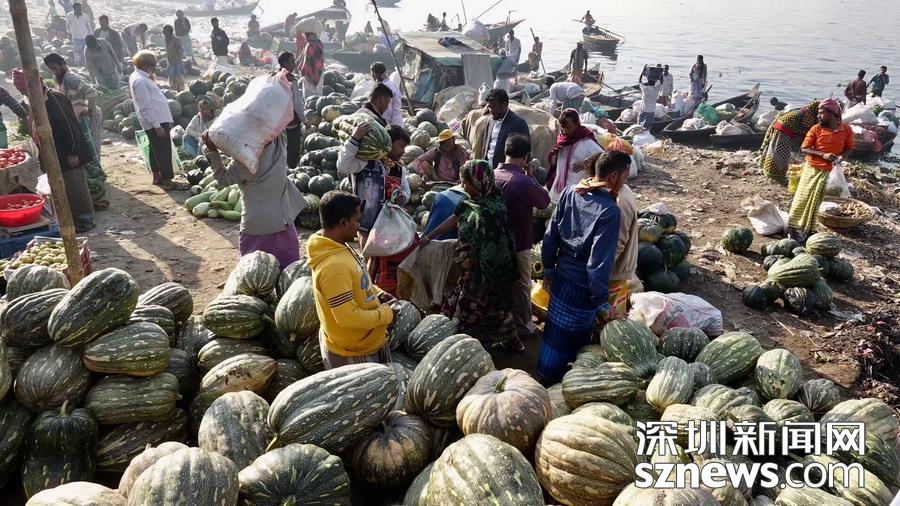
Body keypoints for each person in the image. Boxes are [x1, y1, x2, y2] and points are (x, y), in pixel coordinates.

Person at [537, 151, 631, 385]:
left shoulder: (571, 192)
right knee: (574, 339)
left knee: (554, 330)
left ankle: (543, 373)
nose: (625, 182)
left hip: (560, 279)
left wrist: (548, 268)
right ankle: (562, 385)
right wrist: (602, 302)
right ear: (613, 176)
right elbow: (598, 264)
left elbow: (550, 236)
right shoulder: (610, 211)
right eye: (625, 177)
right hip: (582, 289)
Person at [422, 160, 520, 347]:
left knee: (481, 305)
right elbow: (456, 216)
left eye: (465, 182)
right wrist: (429, 236)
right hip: (471, 268)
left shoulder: (492, 208)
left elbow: (493, 243)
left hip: (488, 270)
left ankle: (471, 345)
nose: (463, 186)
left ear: (478, 182)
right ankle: (499, 339)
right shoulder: (471, 201)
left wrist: (473, 259)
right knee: (481, 305)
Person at [307, 191, 398, 369]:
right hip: (354, 351)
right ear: (343, 222)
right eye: (357, 220)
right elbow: (348, 318)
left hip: (364, 341)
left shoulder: (338, 247)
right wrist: (387, 314)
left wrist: (378, 293)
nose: (359, 225)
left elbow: (358, 280)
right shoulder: (334, 267)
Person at [201, 129, 304, 269]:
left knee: (252, 272)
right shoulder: (279, 141)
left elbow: (223, 179)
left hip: (256, 225)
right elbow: (281, 121)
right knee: (288, 271)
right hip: (282, 220)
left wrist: (212, 151)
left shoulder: (245, 159)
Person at [13, 70, 94, 231]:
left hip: (68, 150)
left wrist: (72, 152)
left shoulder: (55, 100)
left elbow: (69, 127)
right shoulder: (36, 101)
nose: (22, 93)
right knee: (62, 186)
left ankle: (84, 220)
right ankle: (71, 218)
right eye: (20, 90)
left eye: (24, 89)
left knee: (74, 184)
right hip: (54, 152)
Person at [493, 134, 551, 349]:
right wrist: (532, 177)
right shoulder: (523, 181)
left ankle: (499, 324)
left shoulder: (491, 175)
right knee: (522, 286)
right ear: (526, 156)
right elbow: (544, 202)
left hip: (494, 243)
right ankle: (524, 326)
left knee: (497, 285)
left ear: (505, 151)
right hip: (519, 243)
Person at [337, 104, 411, 247]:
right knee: (368, 254)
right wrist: (354, 139)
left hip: (389, 225)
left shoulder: (399, 169)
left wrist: (403, 197)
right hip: (366, 226)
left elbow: (406, 190)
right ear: (388, 142)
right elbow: (342, 166)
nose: (403, 151)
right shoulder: (365, 162)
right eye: (401, 146)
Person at [787, 99, 854, 241]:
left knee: (816, 202)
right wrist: (823, 155)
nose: (818, 116)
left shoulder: (846, 130)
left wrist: (841, 157)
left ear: (832, 114)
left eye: (822, 113)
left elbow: (848, 148)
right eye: (818, 113)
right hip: (812, 169)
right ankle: (792, 227)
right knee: (802, 199)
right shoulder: (816, 129)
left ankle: (809, 229)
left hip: (830, 171)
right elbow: (805, 148)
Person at [128, 51, 176, 189]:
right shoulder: (140, 81)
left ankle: (157, 176)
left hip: (156, 119)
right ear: (144, 65)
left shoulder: (140, 77)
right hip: (156, 120)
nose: (154, 68)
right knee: (163, 151)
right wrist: (157, 126)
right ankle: (167, 180)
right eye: (152, 65)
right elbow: (145, 106)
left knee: (154, 149)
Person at [547, 108, 603, 203]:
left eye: (568, 128)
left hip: (578, 193)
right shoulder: (562, 140)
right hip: (560, 190)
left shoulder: (586, 141)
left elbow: (603, 158)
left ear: (577, 125)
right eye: (562, 127)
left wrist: (587, 163)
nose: (564, 131)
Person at [759, 101, 820, 181]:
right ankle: (775, 175)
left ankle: (771, 172)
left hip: (781, 127)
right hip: (783, 131)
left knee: (774, 150)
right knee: (780, 154)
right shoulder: (809, 116)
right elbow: (808, 132)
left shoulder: (805, 111)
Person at [609, 168, 638, 320]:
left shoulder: (621, 202)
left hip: (615, 270)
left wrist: (601, 272)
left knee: (612, 318)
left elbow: (618, 243)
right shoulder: (621, 191)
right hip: (615, 269)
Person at [480, 89, 530, 169]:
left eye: (494, 107)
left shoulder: (518, 124)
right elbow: (485, 146)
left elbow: (525, 153)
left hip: (507, 172)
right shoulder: (489, 121)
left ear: (505, 105)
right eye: (489, 107)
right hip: (488, 171)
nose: (491, 110)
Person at [279, 51, 305, 169]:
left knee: (280, 147)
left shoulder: (275, 76)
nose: (294, 64)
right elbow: (297, 103)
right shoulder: (291, 80)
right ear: (285, 63)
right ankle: (292, 170)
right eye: (292, 62)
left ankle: (281, 167)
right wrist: (305, 121)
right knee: (293, 147)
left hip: (277, 121)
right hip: (291, 121)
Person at [370, 62, 403, 127]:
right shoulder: (391, 83)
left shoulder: (383, 88)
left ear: (374, 73)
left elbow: (387, 110)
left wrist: (384, 124)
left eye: (371, 73)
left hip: (392, 124)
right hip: (398, 121)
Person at [300, 31, 324, 97]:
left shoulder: (310, 46)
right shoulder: (319, 43)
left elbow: (307, 61)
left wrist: (303, 70)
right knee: (318, 94)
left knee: (309, 94)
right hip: (319, 71)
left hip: (310, 74)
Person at [162, 25, 185, 92]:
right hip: (170, 61)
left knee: (178, 76)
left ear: (168, 32)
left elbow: (181, 51)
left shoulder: (176, 40)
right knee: (171, 76)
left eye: (164, 31)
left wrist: (177, 58)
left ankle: (180, 90)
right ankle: (174, 89)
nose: (162, 32)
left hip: (177, 62)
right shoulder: (166, 39)